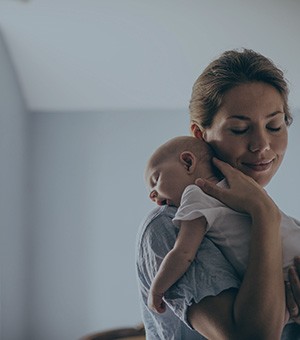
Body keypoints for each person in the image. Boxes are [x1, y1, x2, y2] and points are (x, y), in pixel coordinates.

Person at [136, 48, 300, 339]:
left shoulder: (284, 228)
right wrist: (263, 213)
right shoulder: (168, 223)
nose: (262, 145)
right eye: (239, 129)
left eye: (274, 125)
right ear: (200, 135)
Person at [144, 135, 300, 317]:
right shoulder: (244, 188)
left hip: (285, 270)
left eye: (156, 180)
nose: (152, 195)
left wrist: (156, 289)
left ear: (187, 162)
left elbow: (183, 253)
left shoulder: (195, 194)